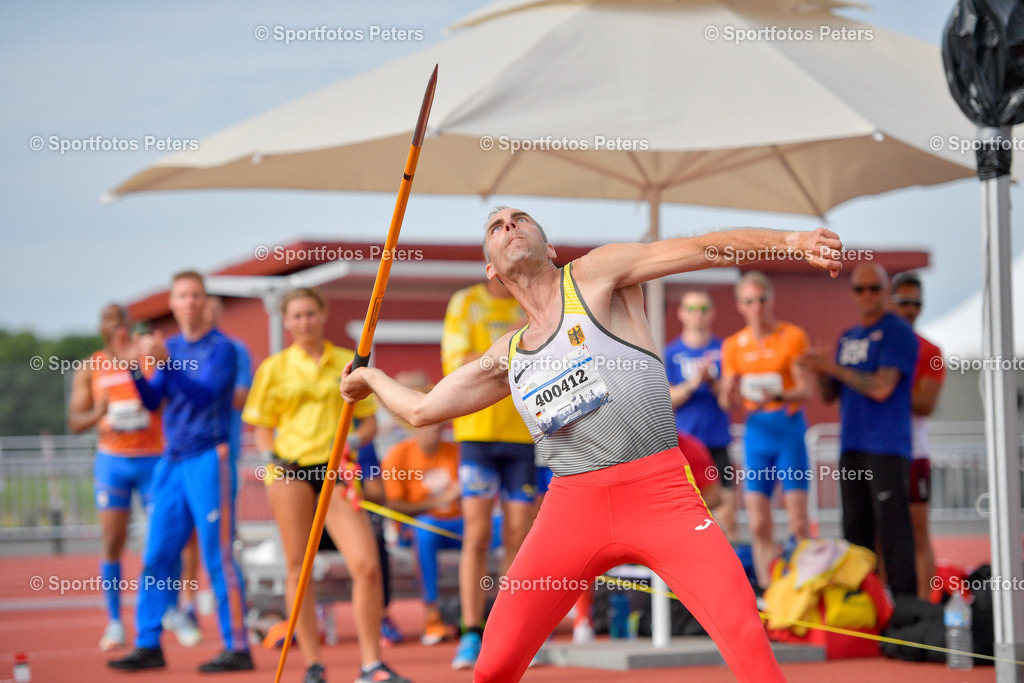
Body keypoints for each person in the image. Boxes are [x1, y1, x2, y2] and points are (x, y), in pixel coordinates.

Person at [341, 206, 842, 681]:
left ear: (549, 245)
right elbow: (420, 410)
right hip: (571, 508)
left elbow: (702, 248)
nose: (509, 225)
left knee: (746, 637)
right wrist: (369, 377)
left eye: (520, 220)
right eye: (496, 226)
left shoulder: (597, 275)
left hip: (661, 494)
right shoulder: (508, 356)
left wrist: (792, 242)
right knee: (492, 668)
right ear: (491, 270)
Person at [241, 287, 409, 683]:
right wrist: (271, 461)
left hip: (335, 471)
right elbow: (262, 427)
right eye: (296, 315)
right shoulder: (274, 368)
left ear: (323, 314)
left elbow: (367, 418)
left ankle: (371, 664)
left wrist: (353, 440)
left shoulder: (346, 362)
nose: (304, 322)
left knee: (366, 564)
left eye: (310, 314)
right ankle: (314, 664)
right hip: (291, 472)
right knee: (300, 568)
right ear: (287, 321)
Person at [108, 270, 252, 673]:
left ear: (205, 302)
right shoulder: (168, 346)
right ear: (172, 303)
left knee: (216, 554)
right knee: (157, 552)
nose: (188, 302)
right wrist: (135, 369)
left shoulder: (222, 349)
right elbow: (154, 401)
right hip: (171, 461)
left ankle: (237, 646)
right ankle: (148, 641)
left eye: (195, 295)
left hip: (210, 458)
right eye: (181, 296)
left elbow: (205, 395)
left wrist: (166, 364)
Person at [802, 263, 919, 598]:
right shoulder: (848, 336)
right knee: (855, 529)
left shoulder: (897, 332)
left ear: (885, 292)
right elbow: (830, 396)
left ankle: (906, 608)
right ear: (852, 294)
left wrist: (833, 367)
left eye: (873, 288)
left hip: (885, 446)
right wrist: (821, 372)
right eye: (859, 289)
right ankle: (865, 604)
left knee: (894, 530)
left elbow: (882, 387)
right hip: (851, 445)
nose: (867, 295)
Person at [441, 277, 537, 669]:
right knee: (477, 534)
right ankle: (470, 631)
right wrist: (511, 354)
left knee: (518, 536)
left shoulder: (531, 303)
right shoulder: (465, 302)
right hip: (477, 435)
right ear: (490, 267)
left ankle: (508, 631)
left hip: (524, 435)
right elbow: (458, 363)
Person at [68, 304, 163, 652]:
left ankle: (164, 612)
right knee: (113, 540)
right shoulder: (90, 367)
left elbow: (165, 401)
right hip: (113, 463)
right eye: (109, 320)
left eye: (121, 320)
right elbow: (75, 422)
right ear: (101, 327)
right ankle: (114, 622)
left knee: (160, 541)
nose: (116, 326)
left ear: (128, 324)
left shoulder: (145, 357)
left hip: (152, 459)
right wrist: (100, 411)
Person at [719, 272, 813, 588]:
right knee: (759, 524)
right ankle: (771, 594)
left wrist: (779, 395)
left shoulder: (793, 336)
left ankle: (801, 590)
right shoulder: (733, 345)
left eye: (761, 299)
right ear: (740, 306)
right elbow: (725, 401)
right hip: (756, 435)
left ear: (771, 300)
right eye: (749, 301)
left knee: (798, 522)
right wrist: (728, 390)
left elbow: (806, 388)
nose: (757, 307)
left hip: (788, 431)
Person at [380, 415, 462, 646]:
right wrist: (438, 502)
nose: (436, 429)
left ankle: (491, 612)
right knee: (426, 530)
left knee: (500, 528)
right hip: (417, 528)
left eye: (440, 423)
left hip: (457, 523)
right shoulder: (399, 454)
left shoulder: (455, 451)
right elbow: (393, 506)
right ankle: (432, 613)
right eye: (430, 424)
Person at [891, 271, 946, 600]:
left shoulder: (930, 349)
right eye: (904, 302)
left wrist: (885, 387)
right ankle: (887, 608)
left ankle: (927, 609)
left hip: (915, 452)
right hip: (880, 451)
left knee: (918, 533)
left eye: (916, 303)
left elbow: (926, 403)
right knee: (884, 535)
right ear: (891, 301)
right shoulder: (878, 342)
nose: (911, 309)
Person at [664, 291, 736, 538]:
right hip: (685, 445)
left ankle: (733, 572)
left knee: (726, 514)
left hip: (717, 442)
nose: (698, 314)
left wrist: (713, 381)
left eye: (703, 308)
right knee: (685, 514)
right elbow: (667, 400)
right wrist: (694, 383)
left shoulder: (725, 349)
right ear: (682, 313)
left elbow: (730, 401)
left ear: (712, 312)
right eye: (692, 309)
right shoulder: (671, 353)